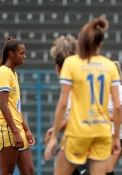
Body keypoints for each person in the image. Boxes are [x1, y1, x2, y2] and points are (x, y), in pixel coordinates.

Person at [44, 17, 122, 175]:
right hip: (102, 133)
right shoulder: (110, 66)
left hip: (78, 132)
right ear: (100, 44)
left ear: (81, 41)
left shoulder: (72, 63)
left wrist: (54, 137)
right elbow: (117, 107)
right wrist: (116, 139)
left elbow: (62, 102)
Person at [44, 34, 89, 175]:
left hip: (81, 139)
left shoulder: (73, 85)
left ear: (58, 68)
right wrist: (56, 129)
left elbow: (76, 112)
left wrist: (54, 135)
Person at [0, 37, 35, 175]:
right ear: (11, 54)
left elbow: (15, 108)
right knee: (7, 171)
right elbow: (3, 106)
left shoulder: (13, 74)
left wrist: (27, 130)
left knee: (29, 171)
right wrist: (16, 132)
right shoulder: (3, 72)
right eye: (22, 53)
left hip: (17, 128)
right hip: (7, 128)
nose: (25, 56)